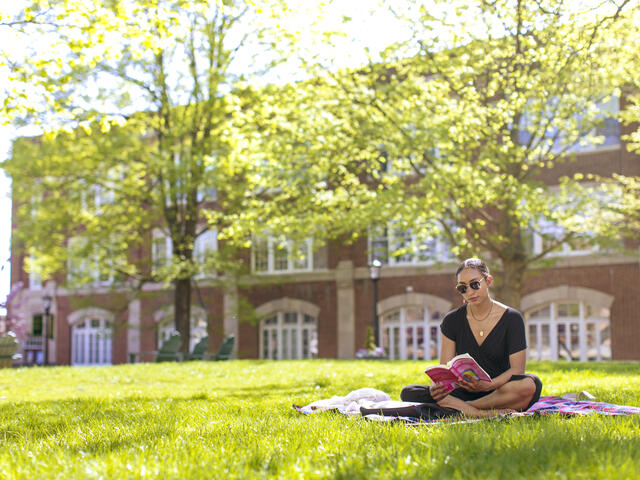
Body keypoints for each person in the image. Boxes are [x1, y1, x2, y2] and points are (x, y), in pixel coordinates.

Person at [400, 258, 542, 418]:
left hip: (497, 390)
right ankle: (481, 414)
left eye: (475, 284)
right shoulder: (452, 320)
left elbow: (517, 370)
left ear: (488, 281)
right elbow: (445, 368)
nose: (470, 292)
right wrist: (437, 386)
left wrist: (487, 385)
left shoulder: (512, 318)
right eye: (463, 288)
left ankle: (461, 409)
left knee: (530, 384)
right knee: (409, 392)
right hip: (461, 391)